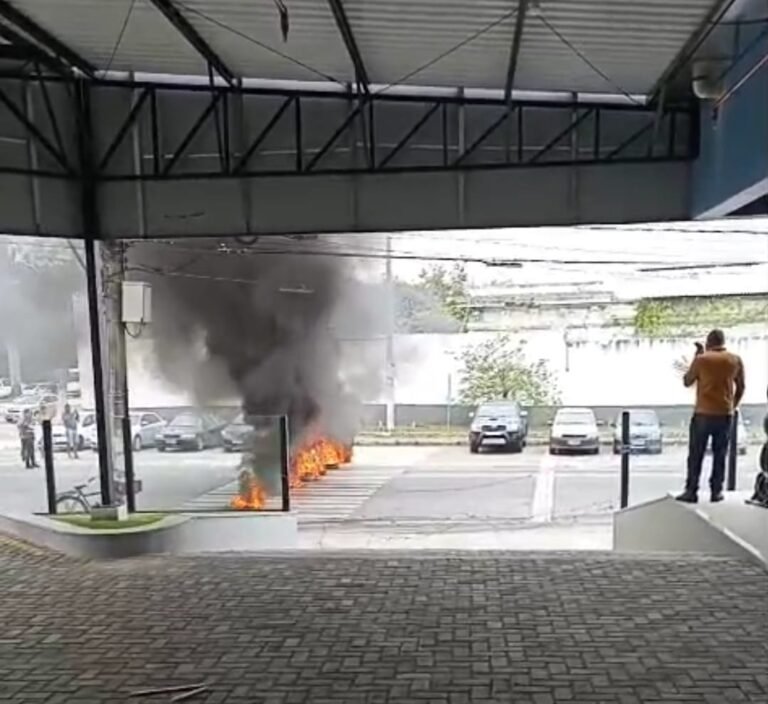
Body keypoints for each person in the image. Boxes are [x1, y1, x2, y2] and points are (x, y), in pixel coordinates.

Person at [676, 329, 745, 504]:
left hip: (703, 414)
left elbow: (687, 381)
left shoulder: (702, 360)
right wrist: (732, 405)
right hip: (724, 414)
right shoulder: (735, 360)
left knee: (696, 454)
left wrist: (698, 355)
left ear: (709, 342)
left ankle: (692, 491)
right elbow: (741, 386)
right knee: (720, 454)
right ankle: (716, 491)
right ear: (723, 342)